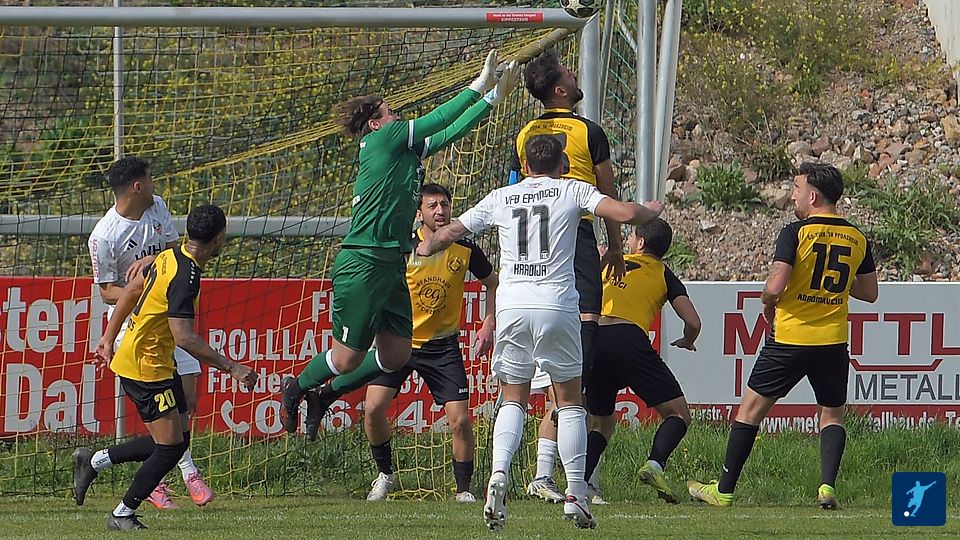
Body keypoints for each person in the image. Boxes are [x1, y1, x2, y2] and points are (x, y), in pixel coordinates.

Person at [417, 134, 663, 531]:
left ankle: (499, 473)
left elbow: (449, 233)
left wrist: (424, 248)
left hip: (513, 307)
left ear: (526, 166)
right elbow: (622, 212)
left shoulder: (502, 197)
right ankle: (576, 494)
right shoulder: (572, 189)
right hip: (557, 306)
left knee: (513, 396)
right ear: (562, 165)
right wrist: (649, 211)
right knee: (570, 401)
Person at [279, 51, 522, 432]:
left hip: (391, 262)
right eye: (390, 112)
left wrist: (494, 98)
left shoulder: (402, 151)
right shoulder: (384, 138)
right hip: (364, 260)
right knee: (345, 359)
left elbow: (451, 132)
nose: (397, 116)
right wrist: (480, 83)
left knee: (396, 355)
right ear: (375, 123)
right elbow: (437, 119)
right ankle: (296, 387)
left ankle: (322, 395)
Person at [688, 162, 878, 510]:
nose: (792, 195)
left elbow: (775, 286)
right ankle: (826, 487)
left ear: (813, 196)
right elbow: (869, 292)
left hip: (790, 337)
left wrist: (766, 300)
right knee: (832, 415)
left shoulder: (795, 232)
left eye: (796, 188)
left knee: (749, 412)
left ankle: (723, 490)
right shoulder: (857, 237)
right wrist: (830, 281)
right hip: (833, 340)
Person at [303, 183, 498, 503]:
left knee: (460, 420)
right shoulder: (404, 247)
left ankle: (463, 490)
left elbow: (492, 283)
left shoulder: (464, 247)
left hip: (442, 347)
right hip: (400, 343)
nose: (440, 211)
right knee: (373, 409)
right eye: (432, 206)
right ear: (418, 213)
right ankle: (385, 475)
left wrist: (488, 321)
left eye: (445, 205)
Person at [76, 204, 258, 530]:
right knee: (170, 447)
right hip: (145, 367)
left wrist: (108, 337)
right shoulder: (186, 276)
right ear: (219, 239)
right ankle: (122, 513)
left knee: (177, 441)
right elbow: (184, 336)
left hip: (156, 361)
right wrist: (232, 368)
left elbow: (132, 290)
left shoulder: (167, 256)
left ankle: (94, 461)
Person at [510, 48, 626, 501]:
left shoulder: (524, 134)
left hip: (529, 247)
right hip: (573, 237)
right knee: (581, 350)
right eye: (569, 73)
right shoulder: (588, 131)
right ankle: (572, 477)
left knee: (544, 362)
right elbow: (607, 194)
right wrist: (615, 245)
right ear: (560, 89)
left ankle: (543, 473)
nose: (577, 76)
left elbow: (515, 189)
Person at [81, 156, 214, 509]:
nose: (156, 184)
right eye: (151, 179)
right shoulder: (104, 236)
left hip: (170, 316)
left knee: (187, 401)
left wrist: (153, 263)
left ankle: (105, 463)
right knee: (165, 429)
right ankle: (174, 476)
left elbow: (174, 251)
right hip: (135, 324)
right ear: (137, 186)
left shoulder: (158, 208)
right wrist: (145, 289)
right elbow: (106, 291)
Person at [583, 218, 701, 505]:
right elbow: (693, 322)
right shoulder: (663, 273)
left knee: (601, 423)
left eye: (632, 236)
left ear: (640, 243)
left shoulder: (609, 263)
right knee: (678, 415)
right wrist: (688, 340)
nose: (628, 241)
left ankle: (578, 482)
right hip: (629, 339)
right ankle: (655, 464)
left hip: (595, 338)